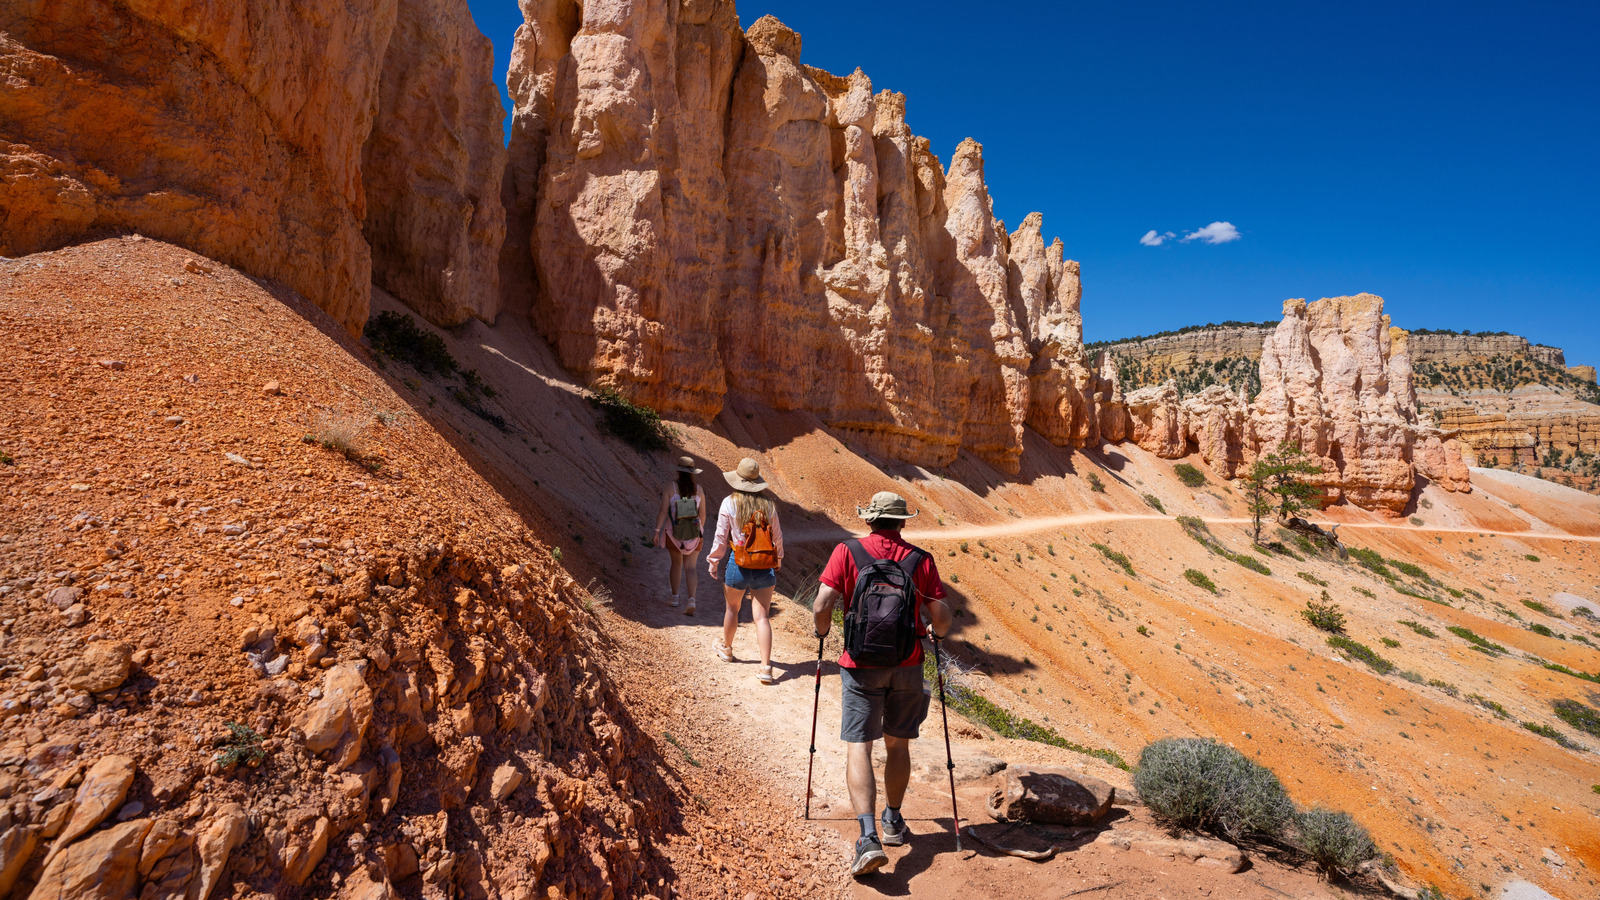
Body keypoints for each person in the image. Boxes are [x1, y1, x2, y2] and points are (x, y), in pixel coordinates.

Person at [811, 491, 952, 877]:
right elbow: (941, 614)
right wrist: (936, 634)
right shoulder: (920, 560)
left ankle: (868, 836)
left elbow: (822, 604)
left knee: (860, 745)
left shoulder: (848, 551)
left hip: (859, 665)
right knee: (897, 744)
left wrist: (823, 633)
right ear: (903, 522)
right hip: (907, 664)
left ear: (870, 520)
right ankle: (892, 821)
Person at [705, 457, 784, 684]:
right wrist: (777, 559)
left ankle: (727, 648)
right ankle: (766, 667)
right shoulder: (769, 505)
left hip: (738, 563)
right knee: (762, 617)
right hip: (764, 566)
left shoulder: (729, 503)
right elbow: (777, 537)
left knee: (732, 609)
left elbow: (721, 536)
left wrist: (714, 560)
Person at [653, 456, 707, 615]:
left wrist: (657, 531)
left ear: (678, 470)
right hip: (694, 534)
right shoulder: (699, 489)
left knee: (676, 565)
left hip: (673, 533)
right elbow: (702, 514)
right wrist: (698, 531)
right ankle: (691, 599)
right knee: (691, 567)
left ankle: (675, 598)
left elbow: (663, 511)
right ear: (692, 472)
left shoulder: (671, 488)